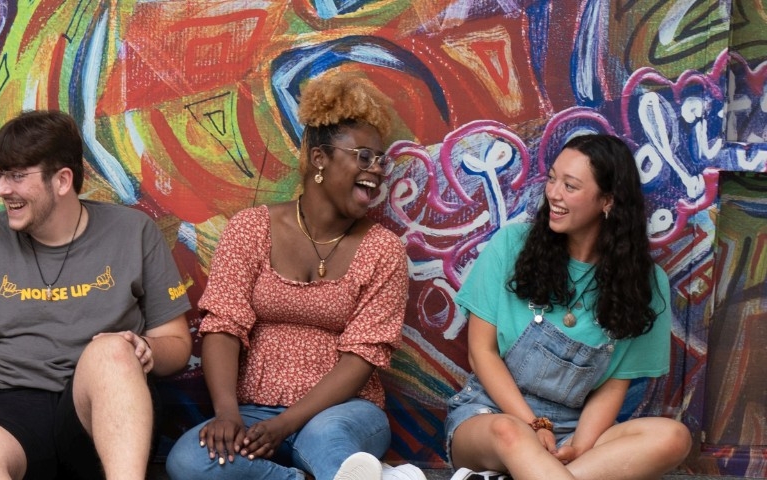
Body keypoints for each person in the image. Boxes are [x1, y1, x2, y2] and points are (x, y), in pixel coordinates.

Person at [165, 72, 425, 480]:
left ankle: (343, 469)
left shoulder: (383, 250)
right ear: (319, 158)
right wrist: (228, 415)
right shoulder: (251, 228)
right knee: (188, 460)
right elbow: (223, 327)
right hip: (254, 409)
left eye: (380, 160)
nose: (376, 170)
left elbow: (362, 358)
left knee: (323, 439)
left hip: (345, 411)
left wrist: (287, 425)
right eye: (363, 156)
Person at [0, 110, 194, 479]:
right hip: (8, 406)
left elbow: (177, 343)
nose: (2, 189)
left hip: (103, 407)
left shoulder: (133, 232)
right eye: (1, 175)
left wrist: (143, 349)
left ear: (62, 180)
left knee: (111, 351)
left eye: (17, 176)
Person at [444, 134, 691, 480]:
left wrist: (581, 446)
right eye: (552, 179)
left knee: (673, 437)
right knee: (510, 434)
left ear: (607, 200)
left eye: (570, 186)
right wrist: (534, 424)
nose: (553, 193)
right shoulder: (510, 246)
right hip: (491, 415)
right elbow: (480, 353)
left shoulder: (647, 283)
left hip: (574, 428)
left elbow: (612, 387)